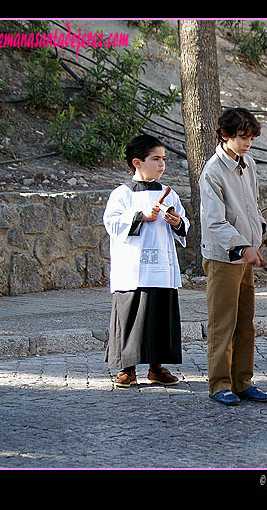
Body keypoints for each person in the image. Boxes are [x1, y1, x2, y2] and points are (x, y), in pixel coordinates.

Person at [103, 134, 189, 388]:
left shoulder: (168, 194)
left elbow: (183, 224)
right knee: (131, 315)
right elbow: (112, 223)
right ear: (137, 162)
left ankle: (156, 368)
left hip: (161, 267)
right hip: (133, 268)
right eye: (155, 159)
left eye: (163, 159)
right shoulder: (122, 194)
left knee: (160, 316)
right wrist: (141, 216)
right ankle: (127, 369)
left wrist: (177, 222)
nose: (162, 165)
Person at [199, 107, 267, 406]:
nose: (247, 143)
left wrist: (259, 233)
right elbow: (214, 221)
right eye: (242, 137)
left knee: (246, 323)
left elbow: (252, 206)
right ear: (225, 135)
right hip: (223, 258)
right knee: (223, 323)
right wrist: (243, 246)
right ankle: (219, 384)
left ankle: (243, 381)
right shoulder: (212, 172)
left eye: (251, 138)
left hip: (246, 257)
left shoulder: (249, 163)